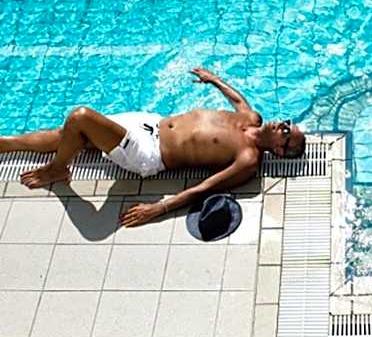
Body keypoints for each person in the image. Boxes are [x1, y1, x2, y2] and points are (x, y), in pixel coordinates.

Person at [0, 68, 305, 227]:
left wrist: (158, 208)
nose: (284, 125)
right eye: (288, 123)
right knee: (68, 133)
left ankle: (57, 169)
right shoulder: (251, 118)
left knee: (80, 117)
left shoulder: (248, 158)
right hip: (150, 124)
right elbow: (238, 99)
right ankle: (6, 145)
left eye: (287, 133)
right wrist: (213, 80)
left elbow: (205, 188)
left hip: (148, 154)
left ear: (279, 151)